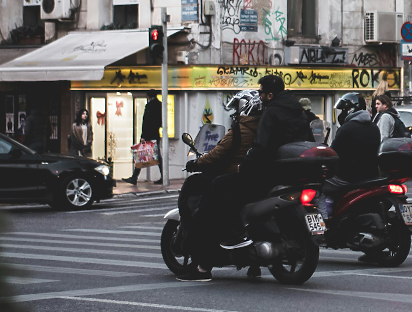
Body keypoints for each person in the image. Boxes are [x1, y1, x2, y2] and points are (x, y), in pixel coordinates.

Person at [212, 74, 313, 252]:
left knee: (221, 185)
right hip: (293, 174)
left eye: (261, 93)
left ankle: (236, 236)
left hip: (269, 173)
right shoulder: (299, 112)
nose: (259, 97)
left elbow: (261, 146)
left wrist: (245, 167)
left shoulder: (271, 112)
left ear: (270, 95)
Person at [177, 90, 262, 282]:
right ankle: (253, 265)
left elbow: (218, 153)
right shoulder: (264, 127)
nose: (235, 112)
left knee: (205, 216)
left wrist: (197, 163)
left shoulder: (241, 128)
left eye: (237, 108)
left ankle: (203, 268)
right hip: (256, 180)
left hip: (233, 178)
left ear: (245, 107)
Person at [322, 93, 381, 200]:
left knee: (318, 186)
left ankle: (325, 215)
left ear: (349, 110)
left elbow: (333, 154)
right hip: (370, 175)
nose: (341, 114)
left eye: (343, 110)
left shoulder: (346, 129)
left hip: (348, 177)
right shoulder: (374, 127)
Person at [123, 90, 163, 185]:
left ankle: (134, 177)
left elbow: (147, 121)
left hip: (149, 135)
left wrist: (143, 136)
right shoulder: (159, 105)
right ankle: (163, 176)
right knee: (156, 155)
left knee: (141, 155)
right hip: (155, 134)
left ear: (148, 96)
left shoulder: (150, 106)